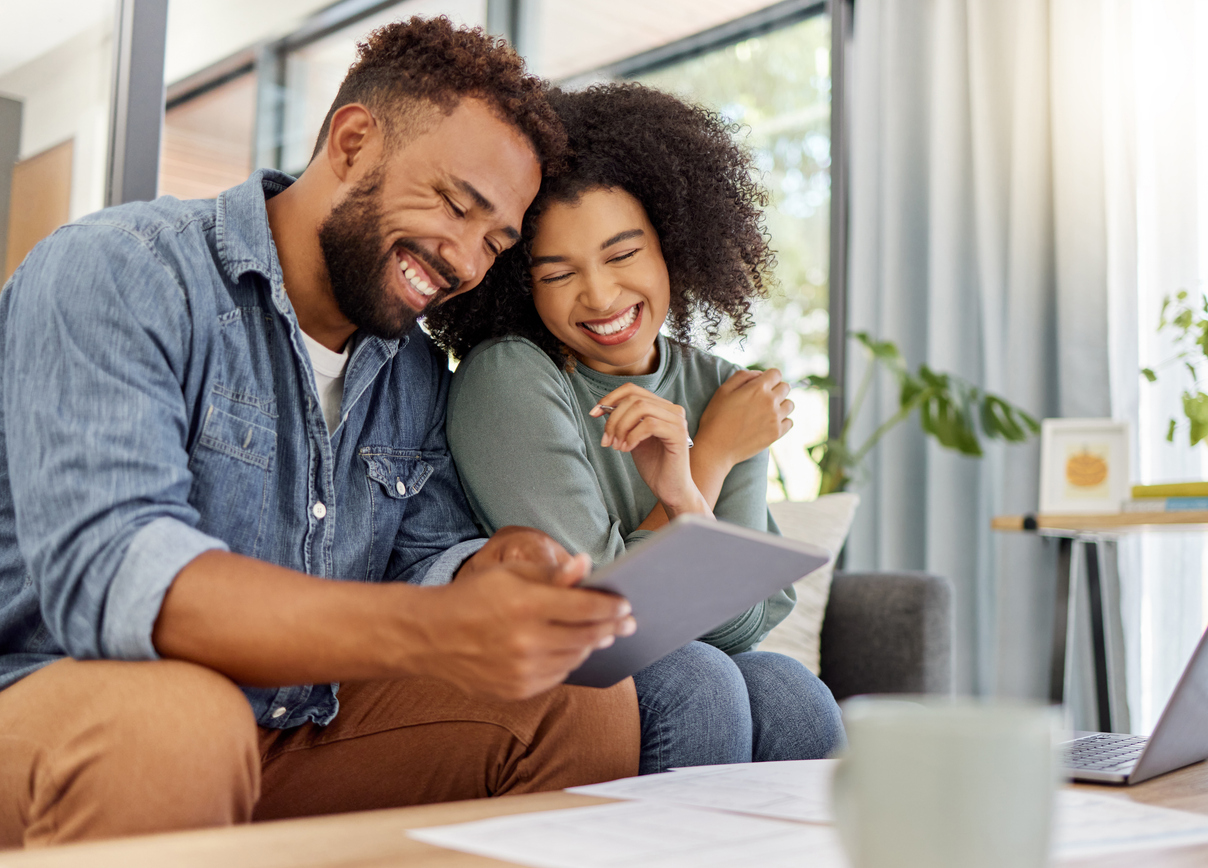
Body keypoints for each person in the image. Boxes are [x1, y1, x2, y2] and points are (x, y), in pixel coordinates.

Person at [0, 19, 642, 849]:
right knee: (179, 723)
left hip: (292, 731)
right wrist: (433, 629)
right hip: (68, 710)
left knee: (580, 697)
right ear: (351, 141)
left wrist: (495, 566)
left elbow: (425, 556)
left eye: (495, 241)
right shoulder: (119, 270)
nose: (468, 263)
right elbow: (117, 571)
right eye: (455, 204)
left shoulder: (409, 369)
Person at [427, 83, 846, 774]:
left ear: (673, 246)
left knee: (789, 690)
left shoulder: (720, 387)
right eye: (558, 272)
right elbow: (601, 620)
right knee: (697, 680)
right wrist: (706, 460)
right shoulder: (510, 377)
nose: (598, 295)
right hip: (545, 674)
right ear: (522, 285)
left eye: (622, 255)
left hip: (677, 661)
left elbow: (743, 624)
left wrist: (685, 495)